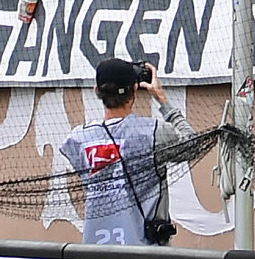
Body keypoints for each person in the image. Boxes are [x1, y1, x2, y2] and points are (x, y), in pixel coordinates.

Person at [57, 56, 176, 247]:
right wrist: (161, 97)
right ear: (135, 89)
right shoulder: (153, 131)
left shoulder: (79, 138)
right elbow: (192, 142)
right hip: (147, 257)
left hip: (95, 254)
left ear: (97, 91)